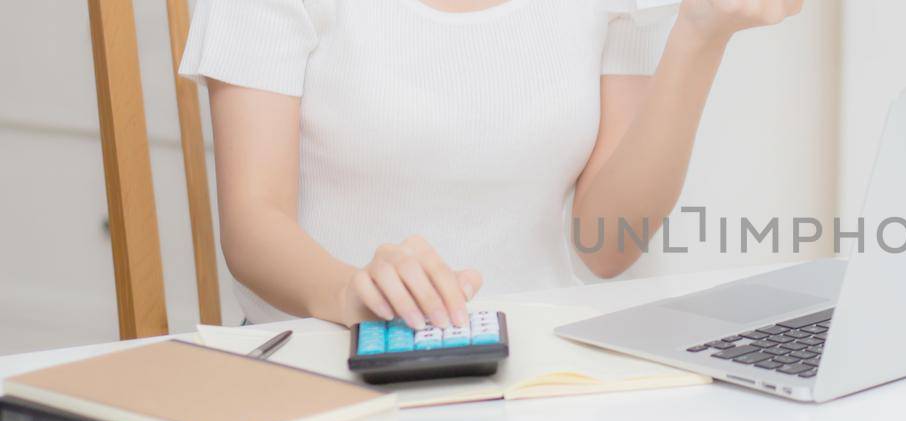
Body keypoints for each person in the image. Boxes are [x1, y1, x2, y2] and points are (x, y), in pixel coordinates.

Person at [179, 0, 802, 329]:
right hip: (328, 372)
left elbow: (607, 247)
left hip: (536, 372)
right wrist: (348, 293)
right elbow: (252, 225)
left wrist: (700, 37)